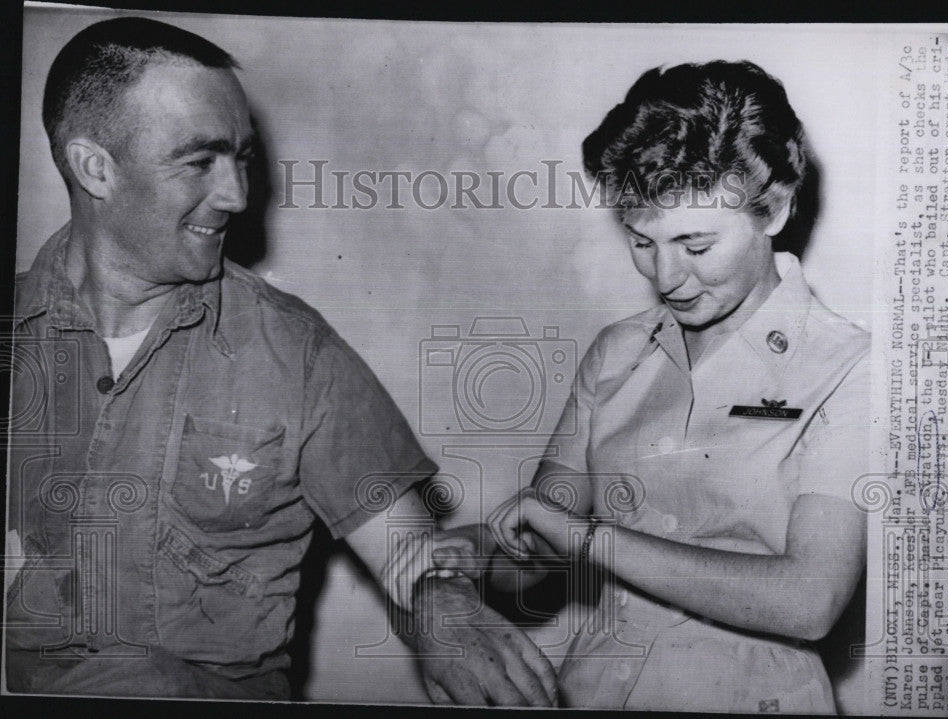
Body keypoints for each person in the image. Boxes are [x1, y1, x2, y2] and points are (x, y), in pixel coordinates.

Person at [3, 17, 556, 705]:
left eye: (243, 157)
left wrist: (441, 605)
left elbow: (408, 555)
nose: (236, 194)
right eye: (200, 161)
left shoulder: (297, 353)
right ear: (95, 167)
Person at [435, 60, 869, 713]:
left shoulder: (847, 365)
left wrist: (590, 538)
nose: (666, 276)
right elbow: (537, 558)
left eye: (695, 245)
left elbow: (810, 601)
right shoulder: (616, 354)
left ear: (774, 209)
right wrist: (457, 566)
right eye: (643, 242)